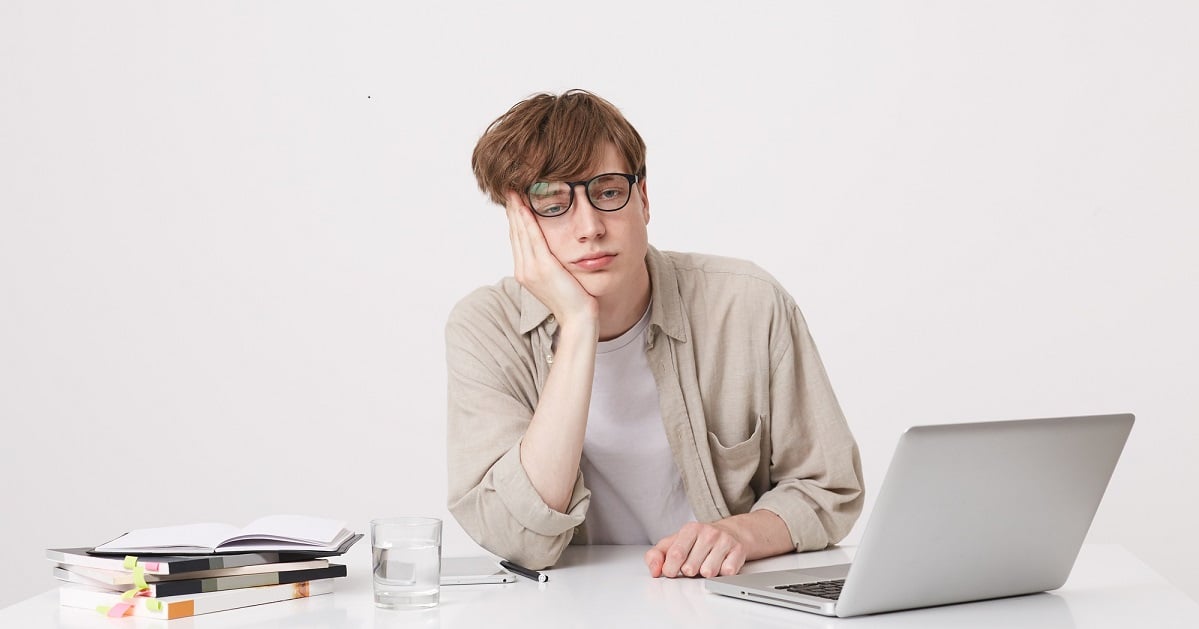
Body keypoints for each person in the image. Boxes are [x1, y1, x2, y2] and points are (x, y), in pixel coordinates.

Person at [446, 90, 864, 579]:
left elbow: (829, 489)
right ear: (518, 225)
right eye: (552, 202)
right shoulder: (484, 328)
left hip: (725, 600)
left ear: (642, 198)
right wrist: (580, 325)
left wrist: (740, 534)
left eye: (606, 192)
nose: (590, 227)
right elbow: (516, 538)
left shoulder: (748, 303)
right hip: (570, 606)